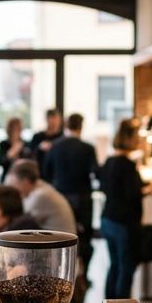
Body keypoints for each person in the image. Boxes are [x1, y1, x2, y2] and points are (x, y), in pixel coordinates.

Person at [44, 113, 99, 274]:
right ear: (81, 126)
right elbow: (94, 171)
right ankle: (84, 274)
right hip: (82, 197)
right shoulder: (88, 148)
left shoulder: (55, 146)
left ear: (66, 126)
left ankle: (63, 273)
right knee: (85, 237)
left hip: (61, 196)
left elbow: (46, 172)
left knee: (63, 236)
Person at [100, 121, 147, 300]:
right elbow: (132, 194)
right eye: (136, 137)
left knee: (115, 265)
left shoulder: (109, 161)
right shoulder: (127, 165)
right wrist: (145, 190)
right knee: (126, 268)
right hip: (122, 222)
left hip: (107, 218)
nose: (138, 141)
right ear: (128, 138)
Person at [6, 159, 76, 235]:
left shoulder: (40, 195)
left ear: (25, 181)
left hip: (60, 243)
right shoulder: (40, 185)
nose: (15, 189)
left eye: (16, 184)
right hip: (59, 238)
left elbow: (20, 219)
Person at [27, 108, 64, 175]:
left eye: (57, 119)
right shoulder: (38, 137)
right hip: (40, 173)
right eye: (52, 119)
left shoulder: (63, 137)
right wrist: (39, 147)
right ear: (47, 119)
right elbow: (30, 154)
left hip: (57, 174)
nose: (54, 122)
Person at [0, 117, 31, 183]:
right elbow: (0, 162)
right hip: (8, 176)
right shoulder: (4, 144)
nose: (16, 131)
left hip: (23, 178)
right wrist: (11, 153)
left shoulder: (26, 144)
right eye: (14, 129)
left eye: (19, 128)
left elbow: (29, 162)